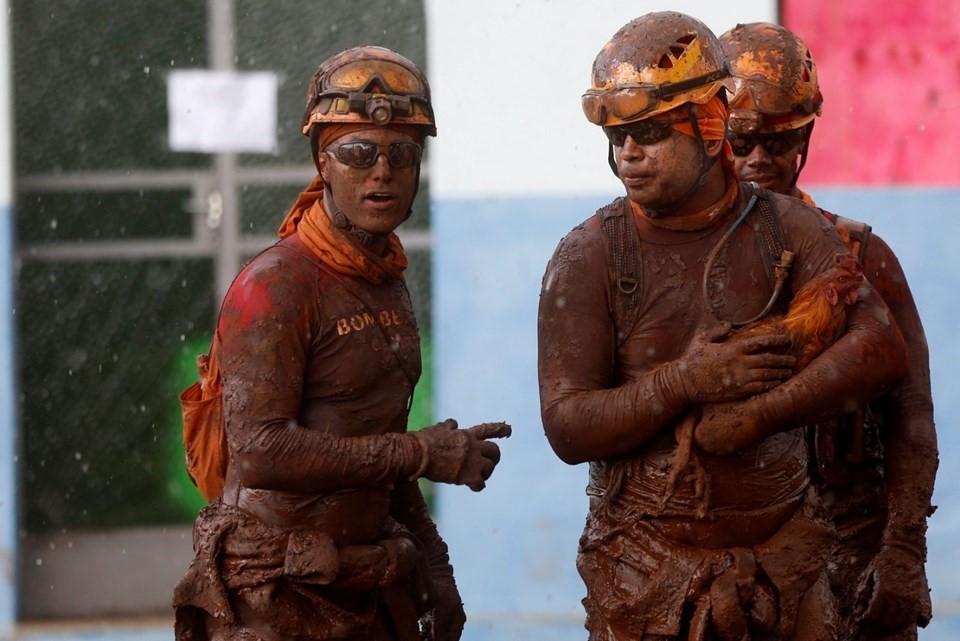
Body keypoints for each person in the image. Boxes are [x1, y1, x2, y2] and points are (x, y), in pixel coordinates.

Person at [537, 11, 909, 641]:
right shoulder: (590, 255)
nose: (628, 154)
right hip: (644, 581)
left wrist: (761, 415)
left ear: (710, 128)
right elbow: (567, 427)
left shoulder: (789, 228)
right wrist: (684, 382)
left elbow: (881, 350)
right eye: (617, 138)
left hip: (789, 572)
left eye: (649, 132)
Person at [172, 45, 511, 641]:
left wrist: (435, 564)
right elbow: (261, 451)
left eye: (402, 154)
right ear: (322, 163)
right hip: (272, 595)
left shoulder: (384, 277)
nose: (381, 171)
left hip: (366, 583)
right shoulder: (275, 285)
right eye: (358, 152)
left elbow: (372, 435)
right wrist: (421, 453)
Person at [720, 22, 938, 641]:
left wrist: (903, 550)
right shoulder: (677, 264)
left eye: (780, 141)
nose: (760, 160)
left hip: (852, 547)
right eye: (742, 142)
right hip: (736, 555)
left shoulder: (861, 254)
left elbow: (911, 415)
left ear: (806, 139)